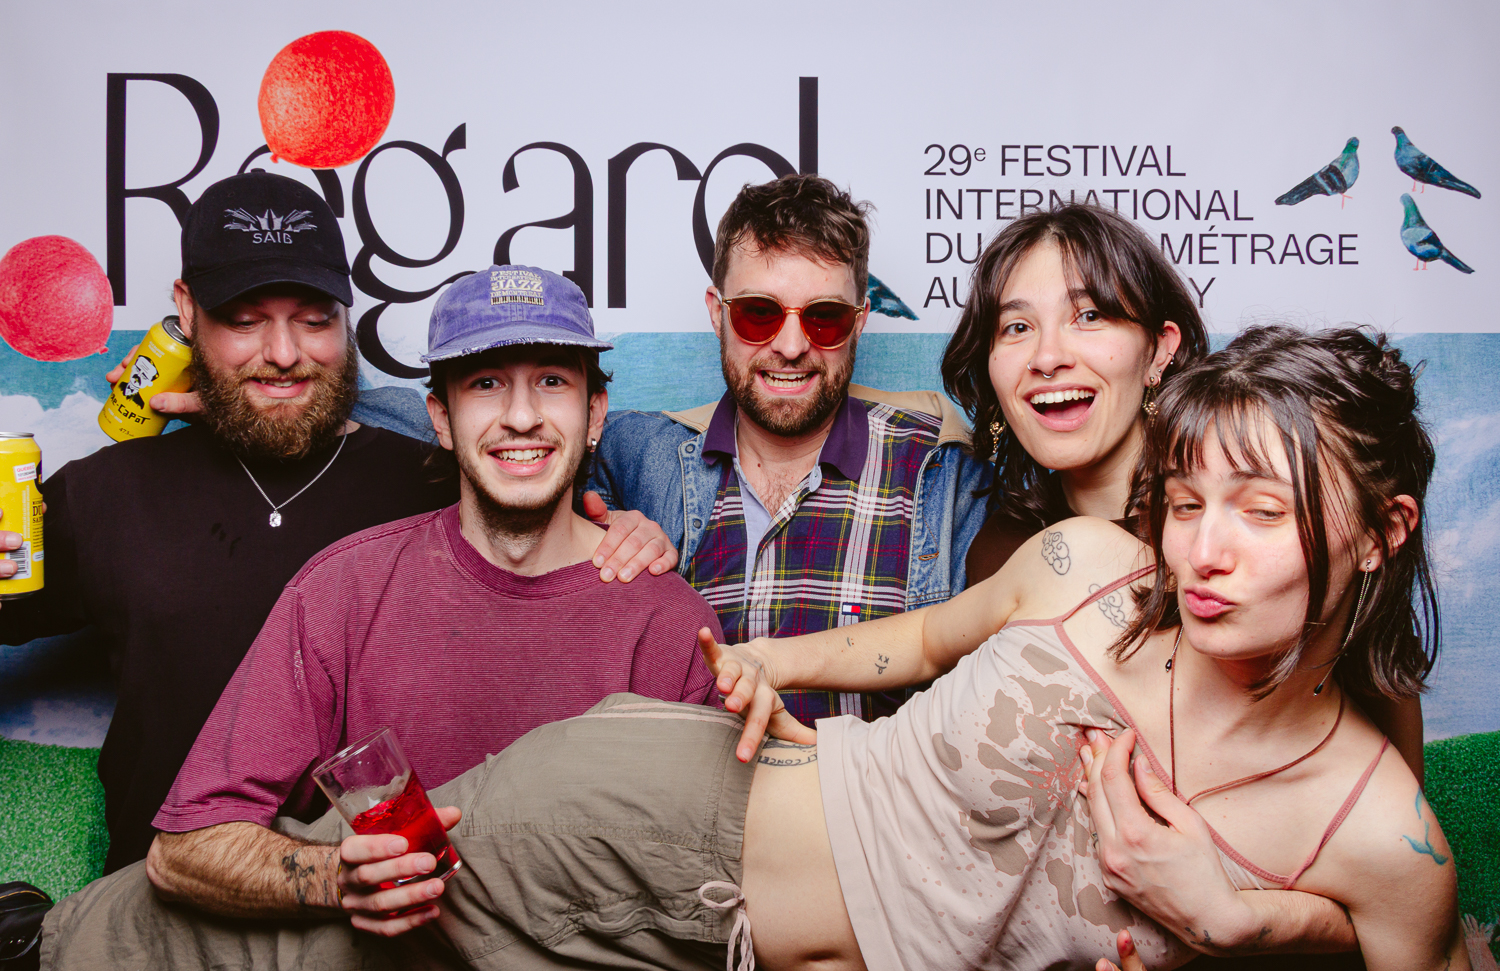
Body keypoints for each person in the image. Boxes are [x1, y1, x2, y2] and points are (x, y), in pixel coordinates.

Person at [32, 326, 1466, 970]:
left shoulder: (1381, 836)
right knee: (332, 931)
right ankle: (43, 940)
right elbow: (915, 640)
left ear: (1383, 529)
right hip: (666, 812)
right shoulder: (1097, 569)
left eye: (1261, 511)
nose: (1205, 548)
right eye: (1190, 498)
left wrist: (1243, 924)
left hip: (728, 950)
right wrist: (767, 661)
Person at [12, 264, 725, 971]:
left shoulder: (668, 623)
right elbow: (184, 849)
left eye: (551, 382)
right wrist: (336, 879)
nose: (520, 416)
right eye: (485, 384)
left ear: (595, 415)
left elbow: (715, 885)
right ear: (440, 418)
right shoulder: (342, 589)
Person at [940, 204, 1426, 781]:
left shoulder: (1275, 543)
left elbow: (1387, 802)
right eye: (1016, 327)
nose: (1047, 358)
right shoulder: (998, 545)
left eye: (1089, 315)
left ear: (1160, 348)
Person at [588, 173, 993, 726]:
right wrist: (602, 532)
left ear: (859, 322)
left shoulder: (938, 476)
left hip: (864, 783)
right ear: (717, 312)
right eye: (759, 312)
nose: (792, 345)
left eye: (825, 318)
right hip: (689, 783)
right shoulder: (638, 456)